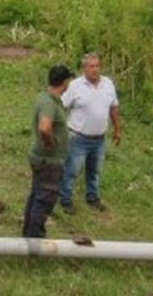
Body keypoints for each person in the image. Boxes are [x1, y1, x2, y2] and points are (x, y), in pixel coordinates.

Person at [60, 52, 123, 212]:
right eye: (91, 66)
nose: (95, 70)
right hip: (78, 137)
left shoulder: (108, 83)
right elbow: (63, 105)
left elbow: (113, 107)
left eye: (97, 66)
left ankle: (92, 197)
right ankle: (65, 199)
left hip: (99, 138)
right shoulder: (75, 86)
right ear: (84, 69)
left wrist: (117, 129)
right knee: (72, 170)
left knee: (94, 171)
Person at [23, 64, 74, 238]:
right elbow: (45, 128)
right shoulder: (48, 103)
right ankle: (35, 238)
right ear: (65, 82)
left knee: (37, 195)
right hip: (48, 161)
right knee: (45, 198)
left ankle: (28, 234)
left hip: (42, 159)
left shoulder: (46, 97)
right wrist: (51, 142)